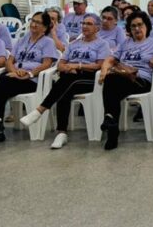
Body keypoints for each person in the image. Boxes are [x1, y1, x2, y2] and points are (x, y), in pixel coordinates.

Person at [17, 13, 111, 149]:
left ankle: (40, 111)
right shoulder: (74, 44)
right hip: (69, 76)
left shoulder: (102, 44)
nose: (84, 26)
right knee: (65, 89)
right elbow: (60, 64)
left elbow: (99, 65)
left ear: (97, 28)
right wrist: (66, 68)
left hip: (90, 78)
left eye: (89, 24)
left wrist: (77, 65)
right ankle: (61, 133)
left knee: (66, 84)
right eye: (83, 23)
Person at [0, 12, 59, 146]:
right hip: (15, 77)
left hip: (33, 81)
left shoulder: (48, 42)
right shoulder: (23, 39)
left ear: (45, 27)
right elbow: (9, 61)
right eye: (32, 21)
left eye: (38, 22)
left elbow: (46, 64)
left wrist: (29, 74)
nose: (33, 24)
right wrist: (16, 72)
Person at [95, 11, 153, 151]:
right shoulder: (125, 43)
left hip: (141, 80)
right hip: (122, 78)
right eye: (133, 26)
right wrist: (103, 70)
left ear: (147, 26)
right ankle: (111, 122)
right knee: (111, 83)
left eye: (140, 25)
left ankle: (111, 126)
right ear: (129, 29)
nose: (137, 29)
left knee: (112, 84)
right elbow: (111, 59)